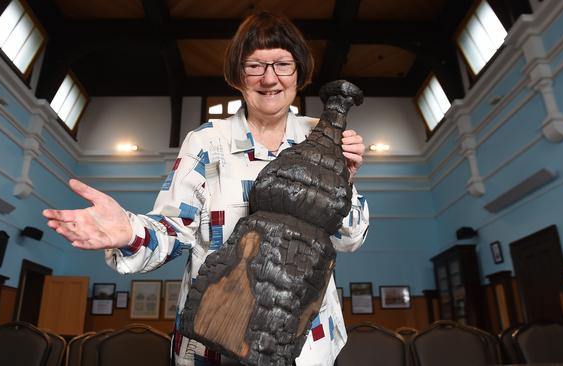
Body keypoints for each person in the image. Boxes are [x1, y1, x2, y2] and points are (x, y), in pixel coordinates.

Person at [43, 11, 369, 366]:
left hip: (303, 348)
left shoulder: (327, 139)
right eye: (255, 65)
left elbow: (348, 240)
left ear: (298, 72)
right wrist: (128, 232)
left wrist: (346, 178)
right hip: (212, 340)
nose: (269, 78)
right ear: (238, 74)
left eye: (282, 64)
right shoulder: (206, 142)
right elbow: (172, 230)